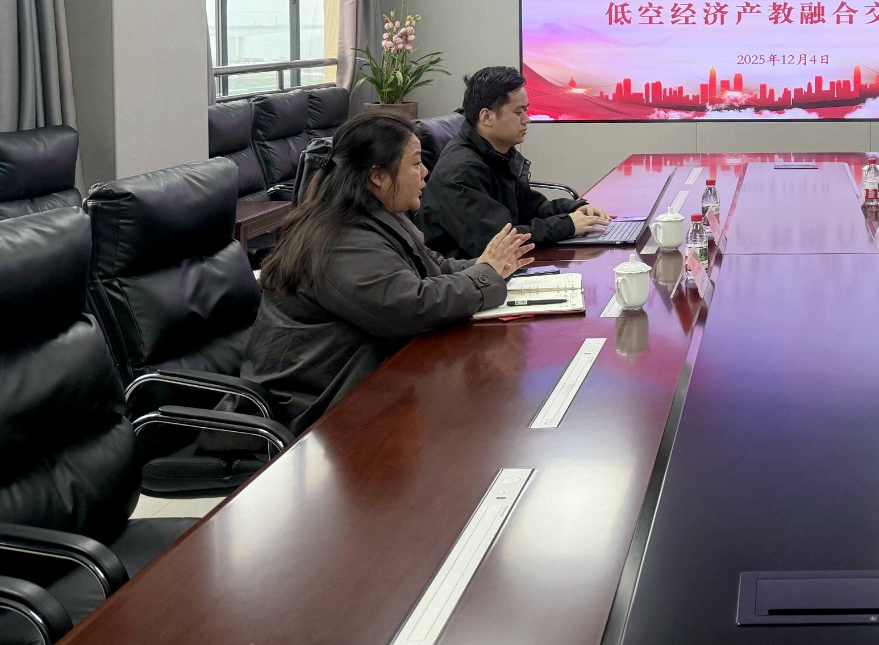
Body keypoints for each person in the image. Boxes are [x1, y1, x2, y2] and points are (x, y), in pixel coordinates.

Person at [243, 111, 536, 432]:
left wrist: (490, 266)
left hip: (366, 379)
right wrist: (485, 277)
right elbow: (412, 306)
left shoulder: (379, 215)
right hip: (322, 406)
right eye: (415, 163)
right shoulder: (340, 238)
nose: (425, 171)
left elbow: (433, 267)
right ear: (378, 176)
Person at [420, 66, 612, 257]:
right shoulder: (461, 171)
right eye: (519, 112)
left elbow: (530, 208)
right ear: (486, 117)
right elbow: (498, 242)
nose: (527, 119)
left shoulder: (497, 151)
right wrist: (568, 225)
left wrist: (574, 208)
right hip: (467, 271)